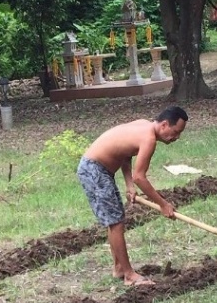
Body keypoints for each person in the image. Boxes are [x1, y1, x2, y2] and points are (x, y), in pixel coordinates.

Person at [77, 106, 188, 287]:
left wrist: (128, 184)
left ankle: (119, 268)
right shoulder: (149, 139)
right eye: (175, 132)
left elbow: (125, 154)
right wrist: (163, 204)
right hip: (94, 170)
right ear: (165, 124)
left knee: (116, 219)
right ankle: (129, 275)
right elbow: (140, 177)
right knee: (116, 222)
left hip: (98, 169)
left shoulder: (143, 124)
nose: (177, 137)